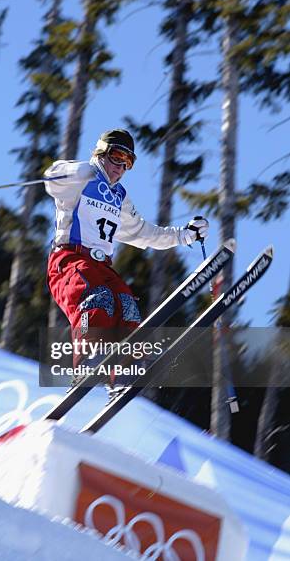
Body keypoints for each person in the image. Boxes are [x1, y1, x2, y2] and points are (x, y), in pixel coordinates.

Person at [44, 128, 209, 381]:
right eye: (117, 156)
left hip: (102, 265)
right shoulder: (83, 179)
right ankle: (88, 354)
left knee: (126, 304)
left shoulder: (119, 198)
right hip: (70, 260)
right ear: (101, 153)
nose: (121, 166)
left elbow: (144, 232)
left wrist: (183, 235)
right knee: (96, 297)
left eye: (128, 162)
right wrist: (80, 170)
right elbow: (51, 177)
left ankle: (126, 368)